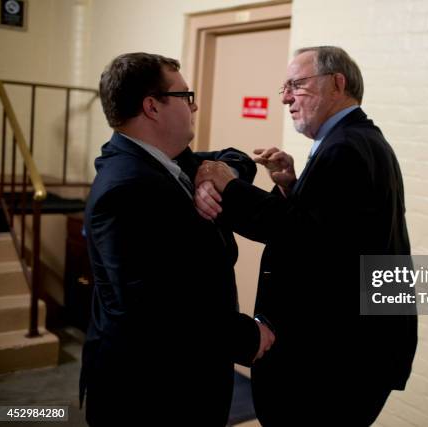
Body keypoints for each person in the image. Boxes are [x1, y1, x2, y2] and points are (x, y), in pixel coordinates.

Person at [194, 46, 417, 426]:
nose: (284, 98)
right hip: (360, 346)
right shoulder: (360, 139)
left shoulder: (344, 148)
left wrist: (229, 187)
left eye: (296, 85)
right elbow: (333, 233)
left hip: (337, 357)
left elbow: (299, 236)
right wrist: (291, 187)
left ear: (337, 84)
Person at [79, 52, 275, 426]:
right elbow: (152, 307)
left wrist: (214, 174)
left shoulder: (167, 160)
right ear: (152, 106)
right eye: (186, 96)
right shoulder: (126, 188)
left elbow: (236, 158)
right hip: (152, 393)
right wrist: (244, 335)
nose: (194, 105)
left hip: (187, 379)